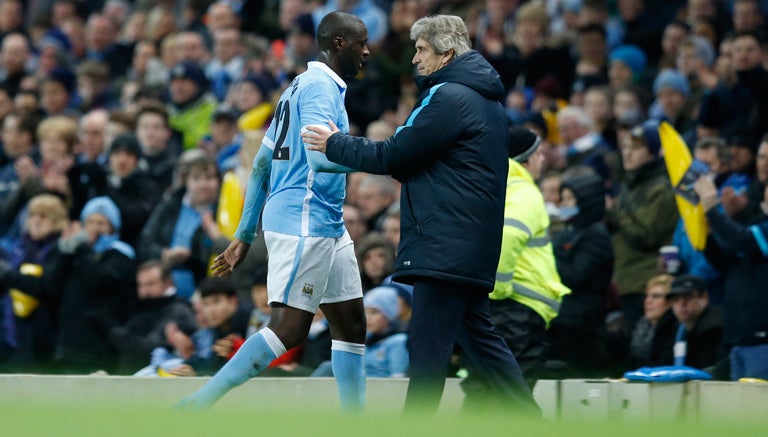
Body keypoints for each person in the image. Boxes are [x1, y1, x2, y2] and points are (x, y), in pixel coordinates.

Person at [303, 15, 540, 416]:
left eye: (422, 50)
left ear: (446, 52)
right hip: (468, 243)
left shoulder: (448, 96)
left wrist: (335, 144)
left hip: (443, 244)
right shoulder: (485, 100)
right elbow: (422, 161)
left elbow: (395, 153)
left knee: (427, 349)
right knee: (482, 343)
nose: (414, 59)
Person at [175, 12, 370, 413]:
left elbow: (262, 164)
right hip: (304, 218)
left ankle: (357, 423)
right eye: (359, 42)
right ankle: (198, 404)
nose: (366, 50)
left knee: (351, 325)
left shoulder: (296, 86)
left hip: (324, 221)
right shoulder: (319, 89)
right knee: (289, 328)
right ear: (338, 44)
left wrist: (244, 235)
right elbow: (319, 159)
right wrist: (380, 156)